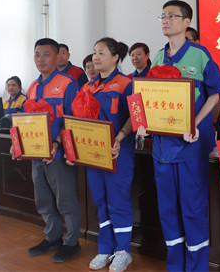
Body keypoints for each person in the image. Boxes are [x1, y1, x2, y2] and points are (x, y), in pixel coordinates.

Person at [139, 0, 220, 271]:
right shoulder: (158, 57)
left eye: (172, 16)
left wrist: (196, 123)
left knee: (192, 208)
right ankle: (175, 265)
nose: (166, 20)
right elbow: (149, 97)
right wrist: (143, 122)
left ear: (187, 22)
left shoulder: (200, 55)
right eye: (163, 16)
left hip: (190, 147)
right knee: (168, 209)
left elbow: (215, 93)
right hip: (163, 147)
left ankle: (197, 267)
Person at [16, 38, 81, 263]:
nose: (40, 59)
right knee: (43, 200)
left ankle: (72, 242)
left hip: (59, 155)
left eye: (46, 54)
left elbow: (73, 120)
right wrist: (18, 141)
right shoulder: (33, 87)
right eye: (37, 54)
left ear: (57, 56)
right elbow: (27, 121)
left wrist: (57, 144)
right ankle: (53, 237)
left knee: (66, 201)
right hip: (36, 154)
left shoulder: (68, 84)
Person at [78, 38, 136, 272]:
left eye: (101, 53)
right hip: (93, 154)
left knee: (118, 200)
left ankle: (123, 251)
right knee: (100, 200)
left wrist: (120, 137)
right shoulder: (88, 87)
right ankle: (105, 248)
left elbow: (135, 116)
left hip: (118, 153)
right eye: (94, 52)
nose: (96, 57)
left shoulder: (127, 84)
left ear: (115, 57)